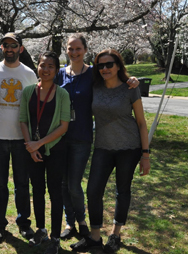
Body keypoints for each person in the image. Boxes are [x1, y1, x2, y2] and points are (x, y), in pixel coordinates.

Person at [56, 34, 139, 240]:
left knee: (75, 184)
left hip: (82, 136)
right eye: (70, 48)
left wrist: (131, 80)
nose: (74, 52)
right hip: (59, 136)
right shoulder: (59, 74)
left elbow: (114, 78)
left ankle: (83, 222)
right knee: (63, 184)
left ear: (85, 50)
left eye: (78, 48)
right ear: (66, 50)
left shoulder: (93, 73)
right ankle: (69, 222)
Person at [70, 49, 150, 253]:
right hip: (103, 147)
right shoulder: (94, 86)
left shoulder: (130, 88)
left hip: (129, 147)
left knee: (122, 191)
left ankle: (115, 234)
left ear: (118, 66)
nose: (105, 68)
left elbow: (141, 123)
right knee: (93, 191)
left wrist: (145, 154)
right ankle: (95, 237)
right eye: (100, 65)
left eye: (109, 64)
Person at [0, 32, 37, 243]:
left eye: (13, 45)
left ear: (20, 48)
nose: (9, 49)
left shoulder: (29, 74)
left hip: (22, 138)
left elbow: (32, 104)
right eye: (5, 45)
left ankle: (24, 224)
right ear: (1, 48)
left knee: (22, 183)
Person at [20, 51, 71, 254]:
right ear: (37, 68)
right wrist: (30, 145)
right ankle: (41, 229)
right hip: (33, 151)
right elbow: (23, 120)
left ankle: (56, 237)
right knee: (38, 191)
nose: (46, 69)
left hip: (55, 150)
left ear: (56, 70)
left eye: (51, 66)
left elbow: (64, 126)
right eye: (43, 65)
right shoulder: (28, 92)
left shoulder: (62, 94)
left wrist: (39, 143)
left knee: (55, 193)